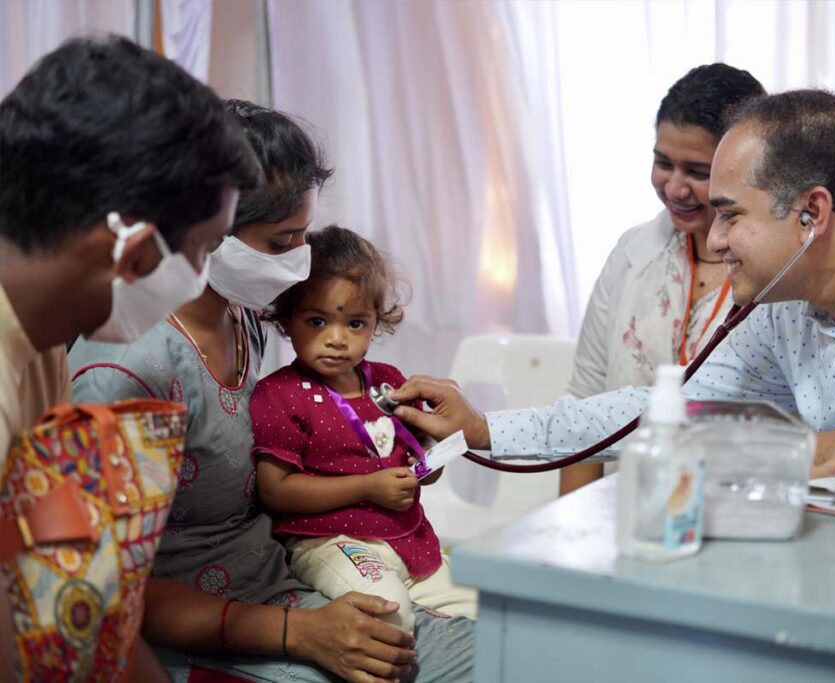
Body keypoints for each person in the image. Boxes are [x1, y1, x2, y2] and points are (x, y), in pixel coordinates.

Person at [389, 89, 835, 501]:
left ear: (812, 213)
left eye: (730, 214)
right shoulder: (783, 314)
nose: (714, 240)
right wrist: (483, 427)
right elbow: (666, 410)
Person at [70, 103, 474, 682]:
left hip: (281, 575)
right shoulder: (130, 369)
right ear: (203, 233)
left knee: (500, 648)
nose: (300, 260)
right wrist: (300, 633)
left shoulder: (242, 313)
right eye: (283, 240)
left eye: (303, 236)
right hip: (200, 627)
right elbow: (104, 593)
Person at [0, 35, 258, 679]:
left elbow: (66, 570)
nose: (202, 279)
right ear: (133, 251)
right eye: (202, 251)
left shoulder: (37, 347)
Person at [252, 225, 477, 635]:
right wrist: (368, 487)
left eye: (356, 323)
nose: (337, 339)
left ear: (377, 322)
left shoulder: (389, 382)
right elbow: (275, 490)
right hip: (331, 542)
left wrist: (428, 465)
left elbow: (419, 461)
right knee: (390, 615)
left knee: (486, 613)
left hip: (410, 539)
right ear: (287, 320)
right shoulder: (279, 395)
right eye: (317, 321)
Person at [561, 63, 765, 495]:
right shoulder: (633, 254)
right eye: (662, 163)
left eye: (697, 171)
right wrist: (571, 534)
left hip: (736, 520)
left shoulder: (781, 275)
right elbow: (584, 404)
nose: (674, 188)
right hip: (625, 512)